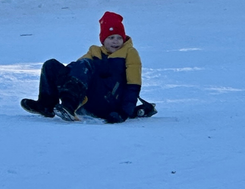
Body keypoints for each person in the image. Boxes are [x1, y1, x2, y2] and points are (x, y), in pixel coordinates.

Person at [20, 12, 155, 122]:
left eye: (119, 38)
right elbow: (76, 70)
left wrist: (123, 112)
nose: (116, 41)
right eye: (111, 37)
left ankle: (69, 105)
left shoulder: (129, 53)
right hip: (89, 100)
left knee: (86, 64)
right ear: (103, 39)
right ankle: (46, 105)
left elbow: (133, 85)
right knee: (51, 65)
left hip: (109, 102)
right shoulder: (94, 51)